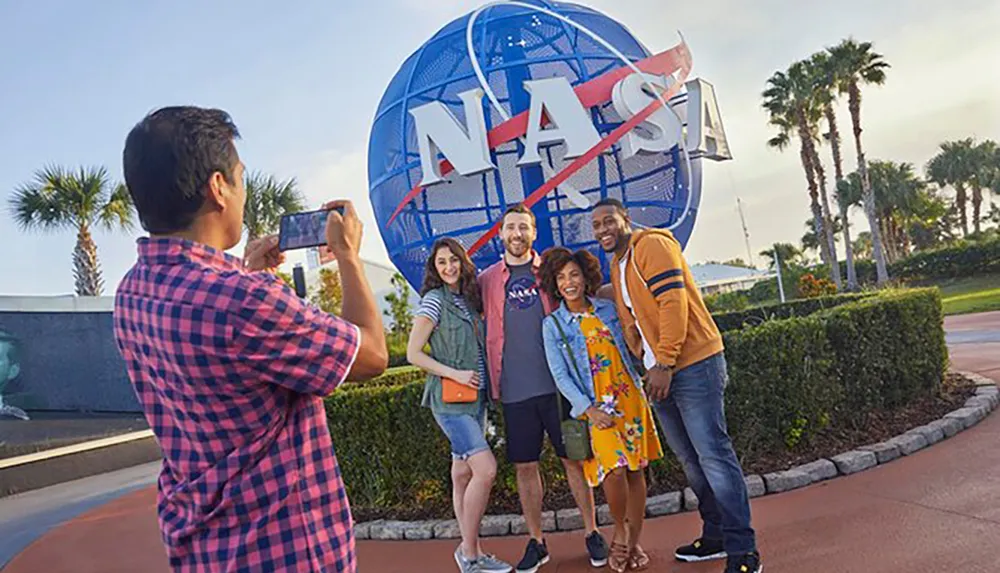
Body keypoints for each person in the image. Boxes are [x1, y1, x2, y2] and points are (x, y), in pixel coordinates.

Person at [114, 106, 388, 573]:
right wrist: (347, 257)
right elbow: (371, 354)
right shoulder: (243, 302)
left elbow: (216, 347)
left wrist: (247, 274)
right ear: (218, 187)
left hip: (205, 549)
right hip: (286, 548)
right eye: (240, 178)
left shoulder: (132, 293)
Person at [591, 198, 762, 573]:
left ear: (626, 219)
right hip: (658, 373)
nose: (603, 229)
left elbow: (672, 302)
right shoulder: (618, 263)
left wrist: (665, 361)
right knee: (691, 459)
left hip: (691, 365)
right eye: (596, 226)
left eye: (608, 221)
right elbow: (626, 300)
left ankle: (743, 549)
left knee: (714, 457)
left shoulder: (651, 244)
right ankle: (716, 534)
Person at [478, 204, 609, 572]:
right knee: (525, 467)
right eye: (510, 228)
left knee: (575, 459)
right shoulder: (487, 279)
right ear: (501, 234)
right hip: (515, 390)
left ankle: (592, 531)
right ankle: (536, 541)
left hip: (561, 389)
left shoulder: (550, 271)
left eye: (524, 227)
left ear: (534, 233)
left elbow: (583, 293)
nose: (517, 234)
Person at [538, 248, 663, 572]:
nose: (569, 282)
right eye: (561, 277)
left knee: (636, 471)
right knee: (615, 470)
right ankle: (620, 532)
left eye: (574, 274)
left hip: (630, 400)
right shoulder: (553, 325)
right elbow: (560, 375)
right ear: (554, 283)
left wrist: (653, 368)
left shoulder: (608, 309)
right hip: (596, 408)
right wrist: (587, 409)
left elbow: (635, 344)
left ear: (585, 277)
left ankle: (632, 544)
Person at [407, 237, 513, 573]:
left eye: (454, 260)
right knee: (486, 469)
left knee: (463, 474)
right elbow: (413, 353)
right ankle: (469, 554)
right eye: (442, 263)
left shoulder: (468, 300)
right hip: (450, 403)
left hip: (475, 399)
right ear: (434, 268)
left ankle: (474, 550)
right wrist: (453, 372)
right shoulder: (434, 301)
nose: (449, 267)